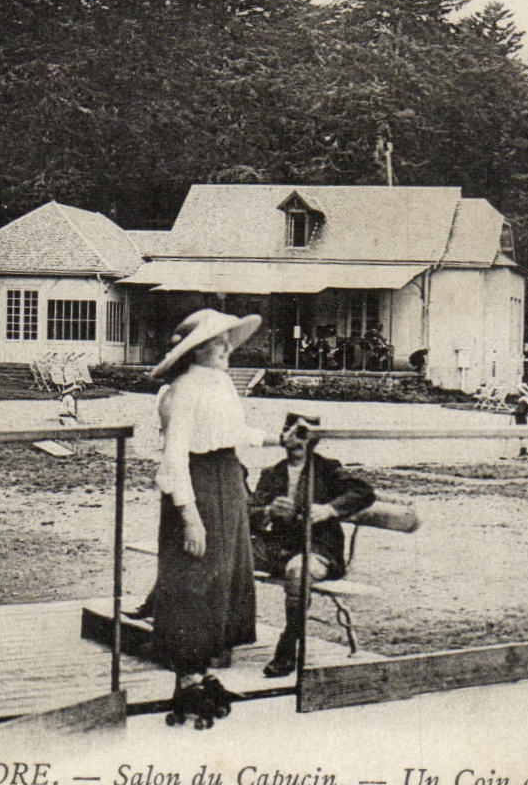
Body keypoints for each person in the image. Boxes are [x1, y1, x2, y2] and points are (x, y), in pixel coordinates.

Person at [151, 308, 292, 728]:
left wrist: (278, 439)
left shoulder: (222, 384)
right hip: (196, 486)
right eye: (216, 342)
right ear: (196, 350)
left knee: (226, 573)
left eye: (228, 341)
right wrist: (189, 516)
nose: (226, 348)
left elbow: (234, 434)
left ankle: (205, 671)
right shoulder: (183, 390)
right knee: (194, 575)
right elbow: (174, 457)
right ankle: (188, 675)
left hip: (228, 480)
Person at [253, 413, 376, 678]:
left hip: (317, 547)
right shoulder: (272, 473)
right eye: (290, 432)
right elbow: (248, 513)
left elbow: (364, 492)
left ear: (314, 440)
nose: (296, 440)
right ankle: (218, 637)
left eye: (303, 434)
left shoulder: (328, 469)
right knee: (230, 557)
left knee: (299, 572)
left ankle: (288, 648)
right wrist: (268, 511)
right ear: (282, 436)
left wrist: (329, 510)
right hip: (279, 546)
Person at [508, 384, 528, 458]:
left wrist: (514, 411)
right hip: (521, 418)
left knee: (522, 435)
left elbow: (521, 411)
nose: (518, 392)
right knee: (521, 435)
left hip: (521, 418)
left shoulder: (523, 400)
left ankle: (523, 451)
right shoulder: (524, 399)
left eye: (519, 391)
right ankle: (523, 450)